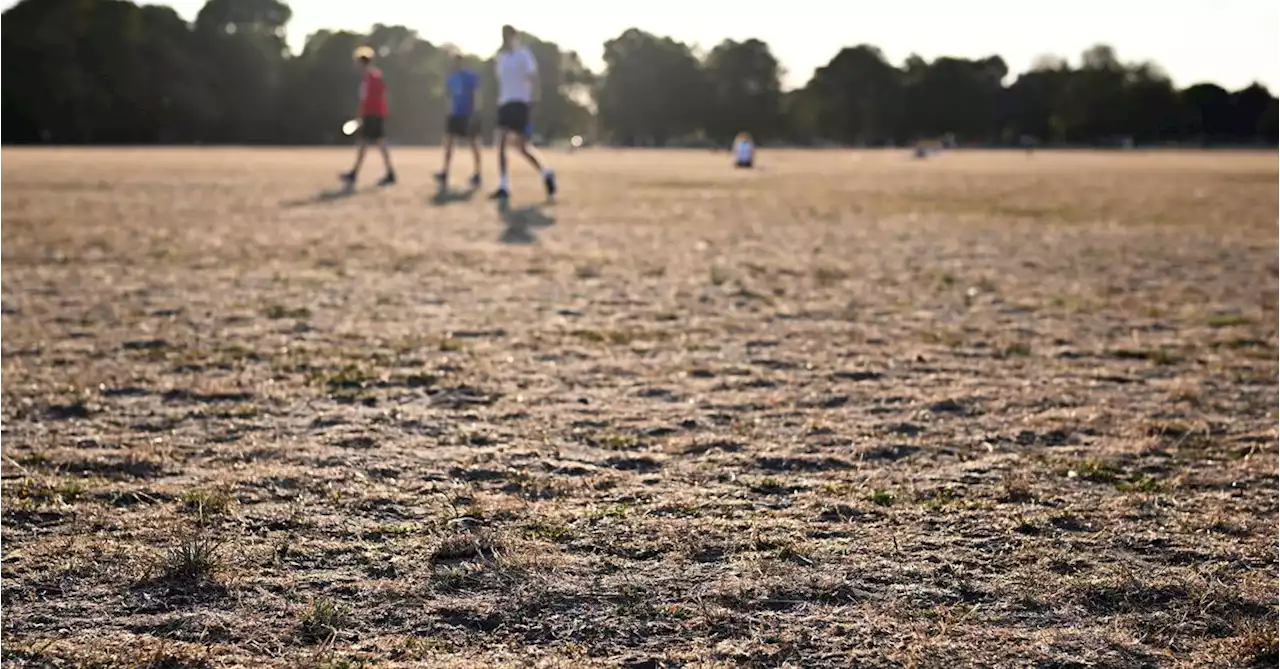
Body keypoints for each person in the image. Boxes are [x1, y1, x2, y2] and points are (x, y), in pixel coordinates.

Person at [490, 24, 556, 201]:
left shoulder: (524, 55)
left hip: (520, 104)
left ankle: (546, 173)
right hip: (505, 103)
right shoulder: (501, 57)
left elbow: (534, 80)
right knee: (501, 142)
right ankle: (503, 185)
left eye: (508, 35)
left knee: (521, 147)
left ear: (515, 36)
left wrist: (534, 104)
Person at [341, 46, 396, 187]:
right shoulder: (371, 77)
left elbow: (373, 98)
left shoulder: (372, 77)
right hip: (372, 114)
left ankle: (357, 173)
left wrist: (364, 114)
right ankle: (387, 172)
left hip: (373, 114)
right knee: (370, 144)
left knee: (372, 144)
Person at [436, 54, 482, 189]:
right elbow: (449, 95)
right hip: (455, 115)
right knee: (449, 143)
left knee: (473, 144)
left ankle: (478, 173)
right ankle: (445, 172)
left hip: (468, 114)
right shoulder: (451, 78)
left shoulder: (471, 76)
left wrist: (474, 113)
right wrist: (449, 111)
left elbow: (475, 95)